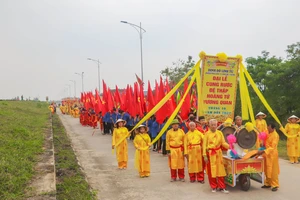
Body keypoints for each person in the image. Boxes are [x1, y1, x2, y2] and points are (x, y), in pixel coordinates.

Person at [203, 119, 230, 194]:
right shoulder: (206, 134)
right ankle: (214, 186)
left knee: (220, 170)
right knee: (212, 171)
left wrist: (230, 146)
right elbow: (204, 145)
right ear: (209, 125)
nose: (214, 126)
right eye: (212, 125)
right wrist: (204, 156)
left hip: (218, 153)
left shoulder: (220, 133)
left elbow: (223, 143)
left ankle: (222, 187)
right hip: (210, 154)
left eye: (215, 124)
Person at [257, 122, 280, 191]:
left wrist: (263, 151)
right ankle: (268, 183)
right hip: (266, 154)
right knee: (266, 169)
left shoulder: (275, 135)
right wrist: (262, 144)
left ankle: (275, 185)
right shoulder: (267, 132)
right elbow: (263, 138)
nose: (267, 128)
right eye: (267, 127)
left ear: (273, 128)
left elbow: (272, 147)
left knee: (273, 171)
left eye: (269, 127)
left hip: (272, 155)